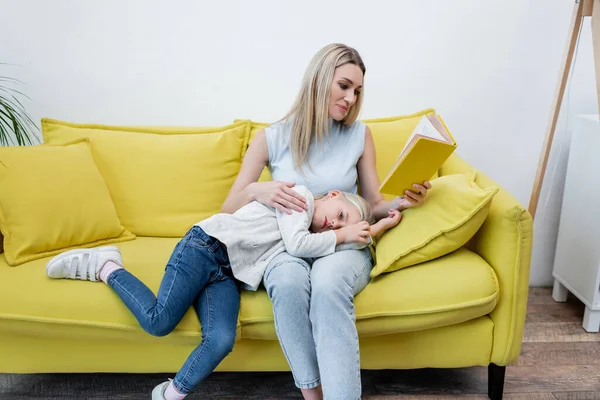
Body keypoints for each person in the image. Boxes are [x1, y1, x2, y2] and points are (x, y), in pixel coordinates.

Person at [45, 184, 401, 400]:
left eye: (342, 224)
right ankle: (107, 267)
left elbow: (322, 247)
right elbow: (299, 242)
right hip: (204, 247)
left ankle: (170, 393)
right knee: (158, 321)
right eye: (338, 214)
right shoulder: (301, 199)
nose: (334, 224)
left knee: (220, 340)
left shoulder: (312, 241)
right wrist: (343, 235)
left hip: (227, 272)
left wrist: (379, 226)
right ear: (332, 195)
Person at [220, 43, 431, 400]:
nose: (351, 98)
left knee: (329, 282)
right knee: (287, 282)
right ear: (320, 80)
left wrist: (402, 202)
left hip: (344, 243)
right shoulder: (271, 137)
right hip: (287, 244)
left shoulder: (359, 135)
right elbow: (228, 209)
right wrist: (260, 190)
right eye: (344, 86)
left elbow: (372, 202)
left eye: (357, 91)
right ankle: (313, 393)